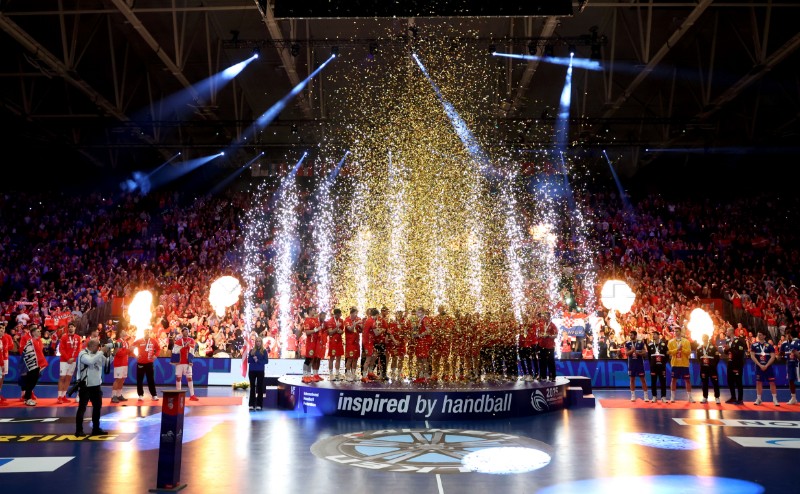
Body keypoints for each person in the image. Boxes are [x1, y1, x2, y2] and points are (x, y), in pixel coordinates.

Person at [75, 339, 111, 437]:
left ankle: (96, 428)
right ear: (92, 346)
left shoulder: (98, 354)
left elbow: (107, 362)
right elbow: (91, 361)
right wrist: (102, 352)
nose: (99, 348)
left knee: (97, 408)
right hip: (85, 386)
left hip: (96, 386)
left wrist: (113, 352)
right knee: (82, 408)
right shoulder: (83, 354)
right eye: (98, 346)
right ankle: (79, 430)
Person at [132, 327, 161, 402]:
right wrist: (135, 355)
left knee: (151, 379)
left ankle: (154, 395)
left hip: (149, 363)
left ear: (150, 333)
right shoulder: (139, 341)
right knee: (139, 380)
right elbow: (131, 348)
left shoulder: (153, 341)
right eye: (146, 332)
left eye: (148, 332)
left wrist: (156, 355)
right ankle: (140, 395)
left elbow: (158, 349)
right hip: (140, 363)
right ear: (144, 333)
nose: (147, 334)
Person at [750, 331, 779, 406]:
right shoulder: (754, 345)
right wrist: (760, 365)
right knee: (759, 382)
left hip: (768, 367)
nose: (759, 336)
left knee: (772, 382)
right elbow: (752, 356)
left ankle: (775, 399)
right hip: (759, 367)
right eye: (758, 335)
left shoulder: (769, 346)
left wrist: (766, 365)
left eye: (760, 334)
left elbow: (773, 357)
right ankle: (758, 399)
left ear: (764, 336)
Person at [21, 326, 47, 406]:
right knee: (31, 382)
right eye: (38, 331)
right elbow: (26, 353)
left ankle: (27, 398)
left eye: (40, 331)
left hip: (37, 365)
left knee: (33, 382)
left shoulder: (38, 341)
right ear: (33, 333)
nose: (40, 332)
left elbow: (40, 353)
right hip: (32, 365)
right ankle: (28, 399)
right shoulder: (31, 342)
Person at [57, 322, 82, 404]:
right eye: (69, 327)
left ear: (75, 328)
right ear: (68, 328)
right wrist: (68, 358)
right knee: (62, 378)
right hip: (64, 361)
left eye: (72, 327)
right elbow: (61, 349)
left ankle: (64, 396)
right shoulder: (64, 337)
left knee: (68, 378)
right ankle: (59, 397)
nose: (71, 328)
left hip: (73, 361)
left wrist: (73, 358)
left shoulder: (78, 338)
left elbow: (79, 349)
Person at [667, 327, 694, 403]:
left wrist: (682, 349)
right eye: (675, 331)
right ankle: (672, 397)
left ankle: (690, 397)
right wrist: (677, 349)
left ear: (680, 332)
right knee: (673, 380)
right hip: (675, 364)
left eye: (677, 331)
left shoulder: (686, 341)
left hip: (684, 364)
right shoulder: (671, 342)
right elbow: (669, 352)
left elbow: (688, 352)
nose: (676, 332)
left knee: (687, 380)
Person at [172, 326, 199, 401]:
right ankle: (178, 394)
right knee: (178, 378)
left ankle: (192, 395)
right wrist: (184, 346)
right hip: (179, 362)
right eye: (185, 331)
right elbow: (175, 351)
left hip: (187, 362)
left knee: (189, 378)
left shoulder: (191, 340)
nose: (186, 332)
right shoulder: (178, 341)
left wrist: (188, 346)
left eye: (187, 331)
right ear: (182, 332)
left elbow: (193, 349)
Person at [722, 325, 747, 404]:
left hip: (737, 363)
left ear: (731, 332)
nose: (726, 332)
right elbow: (727, 352)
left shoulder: (739, 340)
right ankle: (733, 397)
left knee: (738, 381)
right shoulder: (728, 341)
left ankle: (740, 399)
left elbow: (739, 353)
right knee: (730, 381)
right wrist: (725, 349)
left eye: (727, 331)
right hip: (730, 363)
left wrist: (729, 348)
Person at [625, 330, 650, 402]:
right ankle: (633, 395)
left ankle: (646, 396)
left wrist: (637, 352)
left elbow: (645, 353)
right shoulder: (628, 343)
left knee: (643, 380)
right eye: (630, 335)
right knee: (632, 380)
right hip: (632, 364)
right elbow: (626, 353)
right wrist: (632, 351)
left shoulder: (641, 343)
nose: (630, 336)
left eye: (631, 335)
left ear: (635, 336)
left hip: (639, 364)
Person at [698, 333, 721, 404]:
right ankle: (705, 397)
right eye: (703, 337)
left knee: (715, 383)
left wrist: (713, 365)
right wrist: (702, 364)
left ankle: (717, 397)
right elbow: (698, 358)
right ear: (701, 339)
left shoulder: (713, 347)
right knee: (704, 383)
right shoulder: (699, 348)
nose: (704, 338)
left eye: (706, 337)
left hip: (712, 368)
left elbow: (717, 358)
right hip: (703, 369)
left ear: (708, 339)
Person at [647, 330, 669, 403]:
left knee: (663, 381)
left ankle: (663, 397)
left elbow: (667, 355)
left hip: (661, 367)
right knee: (653, 381)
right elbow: (649, 357)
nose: (653, 336)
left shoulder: (663, 344)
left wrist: (663, 363)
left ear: (658, 336)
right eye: (653, 335)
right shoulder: (650, 345)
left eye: (655, 334)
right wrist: (652, 364)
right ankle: (654, 396)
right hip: (653, 367)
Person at [247, 336, 268, 411]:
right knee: (252, 387)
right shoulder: (252, 351)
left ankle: (259, 404)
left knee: (260, 388)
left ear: (261, 342)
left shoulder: (264, 351)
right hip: (252, 371)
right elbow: (248, 360)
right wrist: (253, 359)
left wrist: (258, 360)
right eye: (257, 341)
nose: (258, 342)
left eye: (259, 341)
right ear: (255, 342)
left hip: (260, 371)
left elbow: (266, 361)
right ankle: (251, 404)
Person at [110, 328, 130, 403]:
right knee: (118, 379)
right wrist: (129, 350)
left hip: (125, 363)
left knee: (122, 379)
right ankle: (113, 396)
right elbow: (119, 353)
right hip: (119, 363)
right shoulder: (118, 342)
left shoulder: (126, 342)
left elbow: (127, 352)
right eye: (123, 331)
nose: (125, 331)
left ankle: (119, 394)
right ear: (120, 333)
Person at [325, 308, 345, 381]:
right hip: (332, 342)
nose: (340, 316)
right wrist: (337, 328)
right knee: (332, 358)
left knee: (339, 357)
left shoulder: (341, 320)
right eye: (339, 314)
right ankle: (330, 374)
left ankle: (337, 374)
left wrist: (340, 331)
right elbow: (330, 332)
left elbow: (342, 331)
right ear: (336, 314)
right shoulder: (330, 321)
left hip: (339, 341)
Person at [780, 329, 800, 405]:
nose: (787, 336)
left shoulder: (797, 343)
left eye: (788, 334)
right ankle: (793, 398)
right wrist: (782, 356)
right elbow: (781, 353)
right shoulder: (784, 343)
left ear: (790, 335)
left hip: (797, 364)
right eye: (786, 334)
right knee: (791, 381)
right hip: (790, 364)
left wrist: (796, 354)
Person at [343, 307, 362, 382]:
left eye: (357, 313)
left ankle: (353, 374)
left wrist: (361, 326)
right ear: (351, 313)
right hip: (350, 343)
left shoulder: (358, 319)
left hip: (356, 342)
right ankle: (348, 374)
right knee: (350, 358)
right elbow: (350, 329)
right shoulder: (347, 320)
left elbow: (361, 330)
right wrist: (356, 324)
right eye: (355, 313)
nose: (356, 315)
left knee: (355, 358)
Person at [538, 313, 558, 381]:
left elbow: (556, 335)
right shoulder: (541, 324)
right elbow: (538, 334)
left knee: (551, 362)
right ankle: (543, 376)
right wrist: (540, 335)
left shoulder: (552, 325)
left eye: (547, 316)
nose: (545, 317)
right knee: (542, 361)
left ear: (549, 317)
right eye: (544, 316)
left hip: (550, 346)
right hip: (541, 345)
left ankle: (552, 376)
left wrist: (549, 336)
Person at [0, 323, 11, 404]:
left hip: (5, 358)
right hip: (1, 359)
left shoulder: (7, 337)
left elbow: (10, 346)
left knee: (2, 377)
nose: (2, 330)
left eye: (3, 328)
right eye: (1, 329)